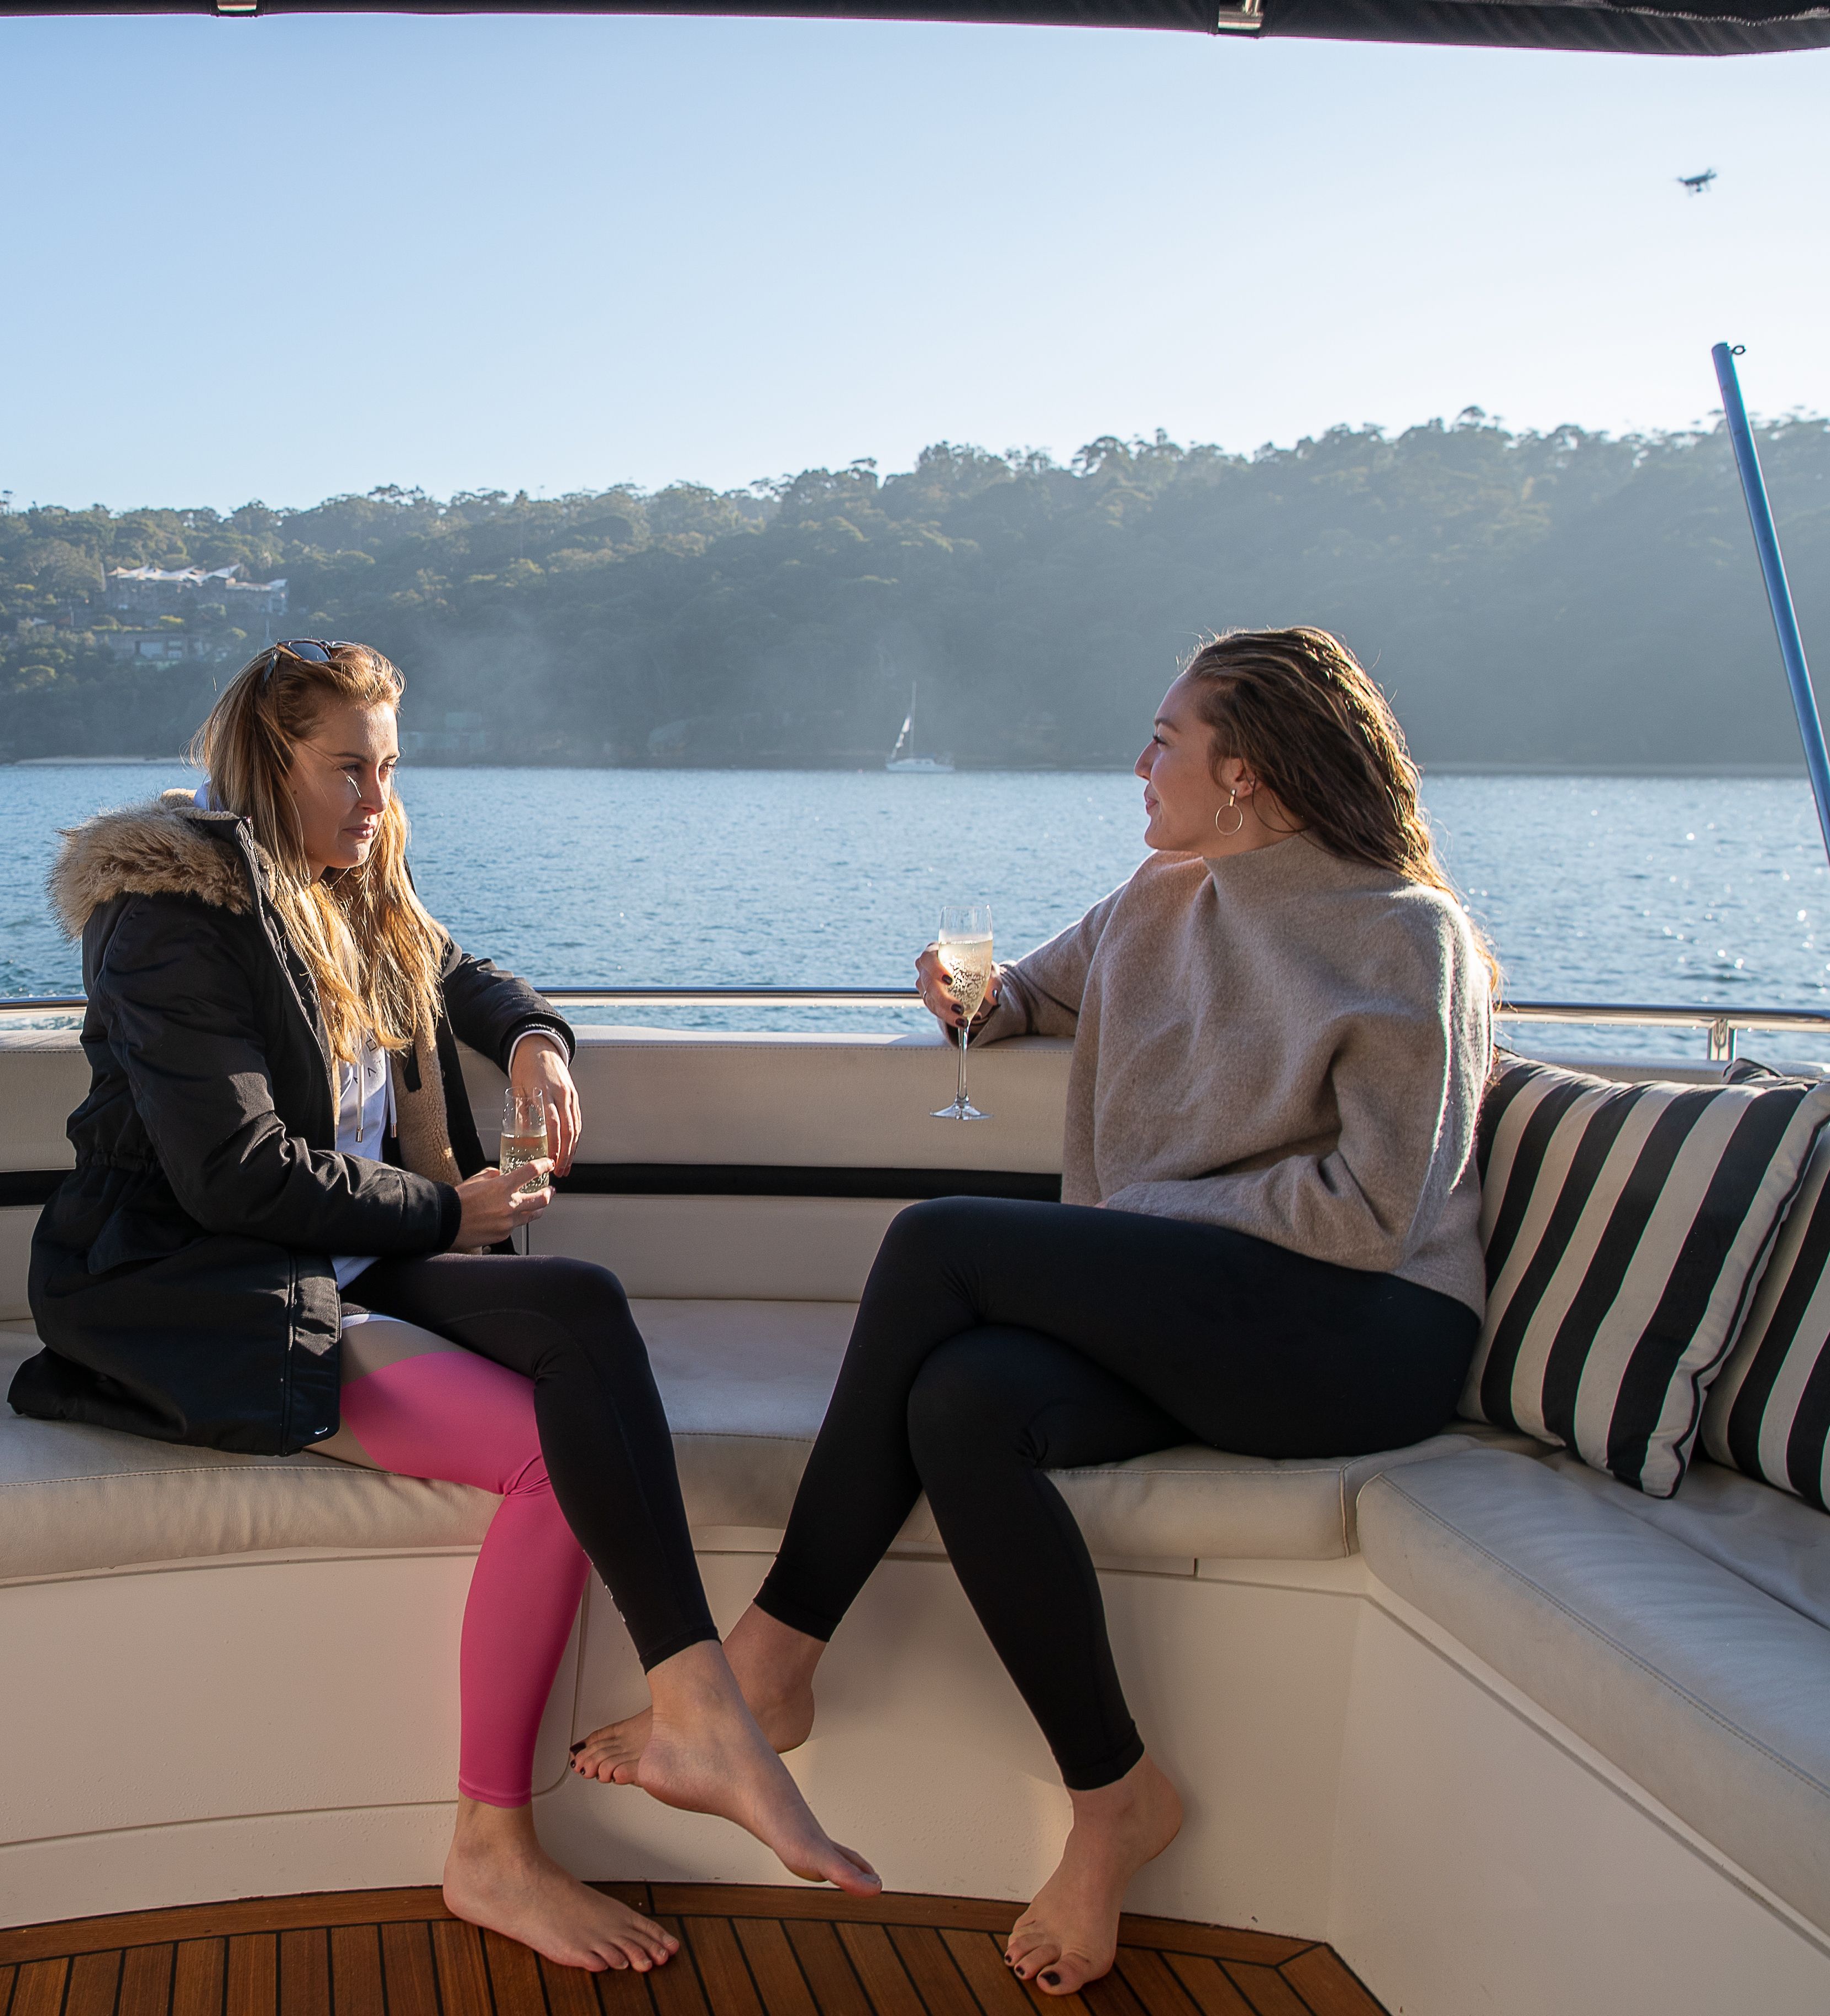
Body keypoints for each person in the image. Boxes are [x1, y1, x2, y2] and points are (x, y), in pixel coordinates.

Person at [570, 626, 1496, 1997]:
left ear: (1245, 772)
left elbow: (1374, 1210)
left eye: (1166, 741)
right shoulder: (1159, 901)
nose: (1141, 764)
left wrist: (1139, 1222)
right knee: (966, 1404)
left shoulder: (1407, 935)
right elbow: (1024, 1001)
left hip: (1361, 1336)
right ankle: (1116, 1798)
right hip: (1201, 1318)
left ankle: (764, 1665)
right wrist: (968, 1001)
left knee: (939, 1243)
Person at [13, 639, 878, 1972]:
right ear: (268, 766)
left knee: (581, 1303)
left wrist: (535, 1040)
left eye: (391, 768)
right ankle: (494, 1846)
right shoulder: (171, 919)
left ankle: (697, 1706)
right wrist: (445, 1213)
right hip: (206, 1285)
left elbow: (464, 977)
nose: (378, 801)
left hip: (346, 1254)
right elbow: (233, 1173)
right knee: (547, 1458)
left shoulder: (355, 881)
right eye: (347, 770)